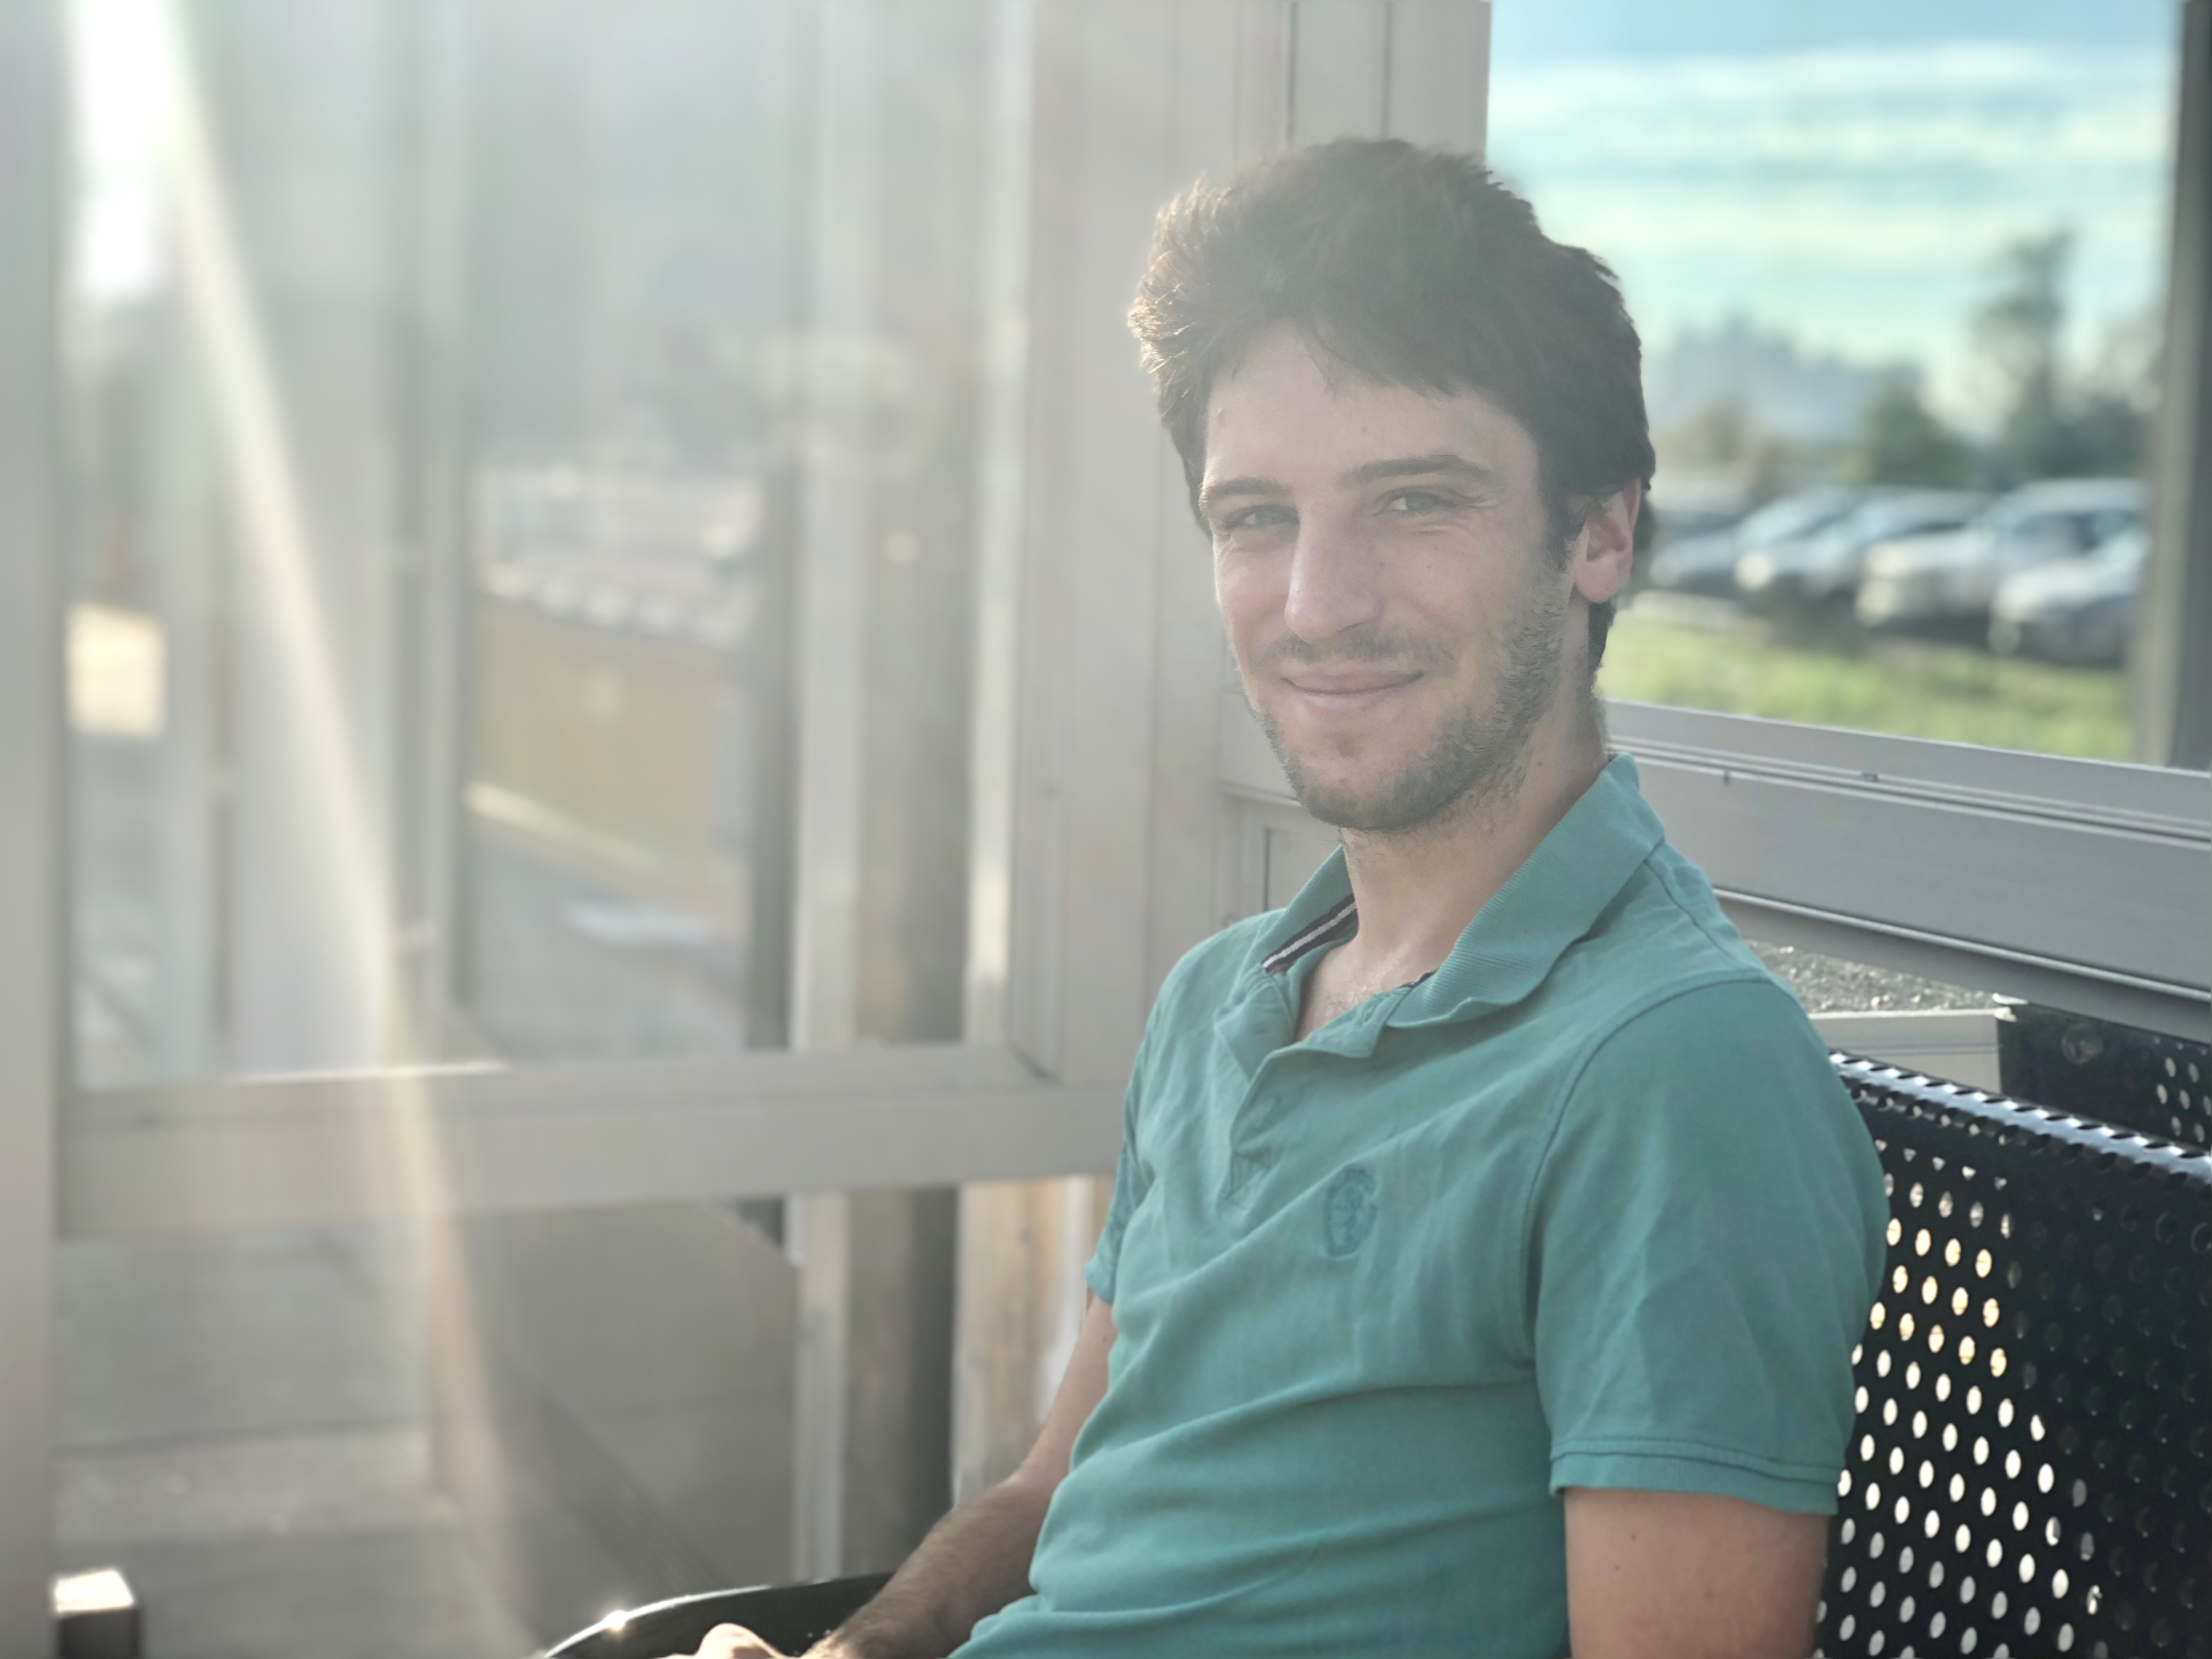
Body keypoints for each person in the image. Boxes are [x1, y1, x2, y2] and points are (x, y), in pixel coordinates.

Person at [679, 138, 1886, 1659]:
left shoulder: (1672, 1067)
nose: (1318, 605)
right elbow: (1058, 1493)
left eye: (1415, 501)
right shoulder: (1223, 998)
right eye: (1255, 518)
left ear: (1599, 531)